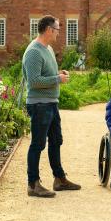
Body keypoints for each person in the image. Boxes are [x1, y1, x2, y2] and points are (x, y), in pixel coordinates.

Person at [22, 15, 81, 197]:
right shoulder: (34, 51)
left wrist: (58, 74)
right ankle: (33, 184)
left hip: (50, 103)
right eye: (56, 29)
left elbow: (45, 74)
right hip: (39, 105)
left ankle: (59, 179)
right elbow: (34, 81)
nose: (58, 33)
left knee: (56, 141)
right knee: (38, 144)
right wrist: (57, 79)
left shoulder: (47, 49)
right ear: (48, 29)